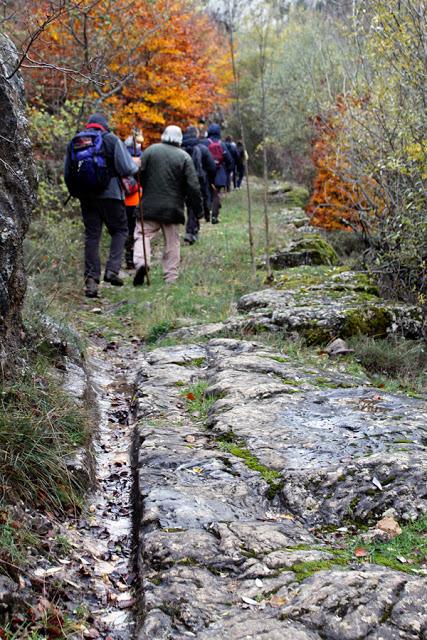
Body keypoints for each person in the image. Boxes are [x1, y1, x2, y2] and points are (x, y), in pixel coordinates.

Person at [64, 113, 139, 298]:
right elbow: (126, 168)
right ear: (104, 126)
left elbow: (67, 173)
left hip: (86, 197)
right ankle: (112, 270)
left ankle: (91, 283)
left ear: (89, 125)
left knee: (92, 236)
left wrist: (77, 192)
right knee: (120, 230)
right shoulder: (111, 140)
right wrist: (136, 165)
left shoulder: (76, 142)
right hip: (111, 194)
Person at [133, 125, 202, 285]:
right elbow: (193, 186)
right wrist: (198, 210)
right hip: (173, 209)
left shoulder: (151, 150)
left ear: (164, 135)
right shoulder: (184, 157)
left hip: (148, 205)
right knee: (172, 242)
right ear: (180, 139)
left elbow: (138, 174)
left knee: (142, 235)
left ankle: (142, 262)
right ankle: (170, 277)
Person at [181, 126, 216, 243]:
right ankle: (191, 231)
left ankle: (190, 230)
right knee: (194, 205)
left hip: (181, 181)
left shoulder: (179, 149)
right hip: (198, 181)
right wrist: (210, 179)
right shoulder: (202, 148)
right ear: (196, 135)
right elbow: (212, 166)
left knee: (187, 205)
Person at [200, 123, 232, 224]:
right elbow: (229, 160)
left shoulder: (204, 143)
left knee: (206, 193)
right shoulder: (221, 144)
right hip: (219, 173)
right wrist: (227, 172)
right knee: (216, 194)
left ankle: (206, 215)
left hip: (206, 173)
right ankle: (214, 216)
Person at [124, 132, 144, 268]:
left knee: (127, 230)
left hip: (123, 200)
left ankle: (128, 257)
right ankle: (135, 256)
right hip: (137, 198)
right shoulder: (141, 157)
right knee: (137, 230)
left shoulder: (122, 158)